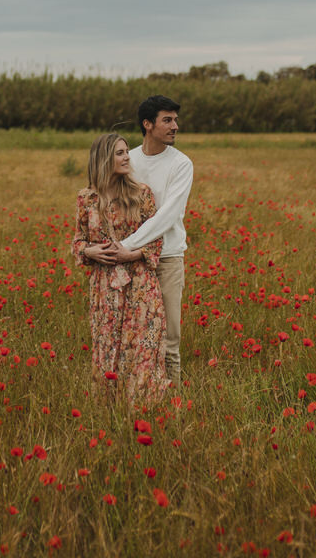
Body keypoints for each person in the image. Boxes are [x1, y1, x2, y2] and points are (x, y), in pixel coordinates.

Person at [71, 133, 168, 404]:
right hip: (104, 288)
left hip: (140, 284)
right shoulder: (86, 199)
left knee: (143, 349)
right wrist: (88, 251)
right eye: (119, 153)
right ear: (103, 159)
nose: (127, 157)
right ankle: (108, 413)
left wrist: (132, 253)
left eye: (126, 152)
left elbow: (157, 239)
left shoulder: (141, 194)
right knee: (108, 349)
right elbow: (77, 241)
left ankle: (144, 412)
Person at [111, 95, 193, 385]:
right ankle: (135, 393)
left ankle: (173, 398)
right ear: (148, 124)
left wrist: (129, 246)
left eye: (176, 120)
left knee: (169, 336)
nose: (175, 127)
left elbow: (168, 215)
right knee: (131, 333)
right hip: (129, 259)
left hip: (168, 257)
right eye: (167, 120)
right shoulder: (128, 160)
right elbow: (112, 205)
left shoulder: (181, 164)